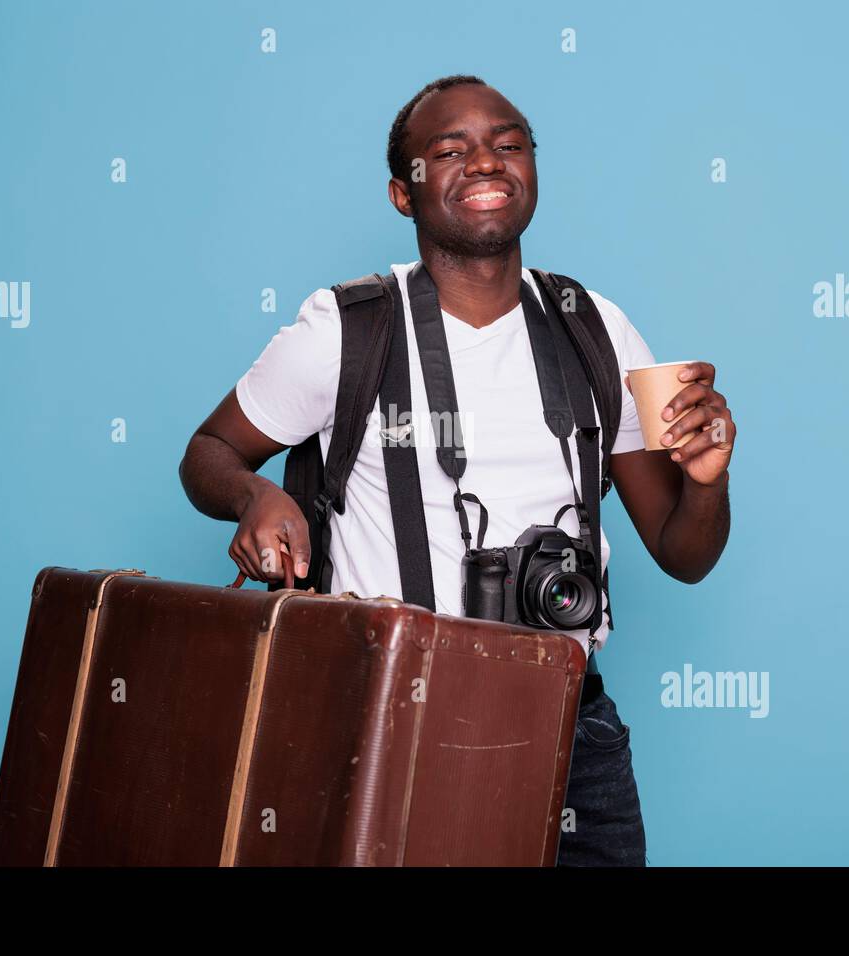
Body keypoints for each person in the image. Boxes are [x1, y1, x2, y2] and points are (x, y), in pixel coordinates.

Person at [179, 74, 736, 866]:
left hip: (574, 735)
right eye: (449, 150)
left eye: (508, 145)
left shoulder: (596, 330)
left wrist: (708, 479)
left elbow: (685, 555)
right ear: (403, 194)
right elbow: (209, 451)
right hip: (390, 720)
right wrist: (256, 493)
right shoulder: (345, 329)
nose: (486, 162)